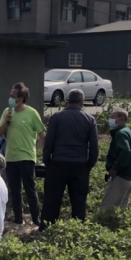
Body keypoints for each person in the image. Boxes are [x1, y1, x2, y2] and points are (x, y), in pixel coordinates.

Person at [39, 89, 98, 231]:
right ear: (82, 102)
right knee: (78, 201)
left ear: (67, 100)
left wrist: (48, 161)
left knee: (52, 200)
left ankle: (47, 230)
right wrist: (88, 165)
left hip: (57, 163)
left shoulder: (57, 117)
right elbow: (94, 147)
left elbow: (49, 142)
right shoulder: (89, 119)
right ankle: (77, 231)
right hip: (80, 165)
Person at [0, 82, 45, 225]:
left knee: (30, 188)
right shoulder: (7, 112)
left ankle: (36, 218)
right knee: (14, 190)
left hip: (27, 156)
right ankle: (18, 218)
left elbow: (41, 133)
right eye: (10, 96)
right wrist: (6, 122)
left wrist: (45, 153)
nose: (10, 98)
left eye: (13, 96)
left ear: (21, 98)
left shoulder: (32, 113)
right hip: (10, 157)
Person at [100, 108, 131, 212]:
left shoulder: (121, 133)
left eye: (112, 117)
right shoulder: (130, 133)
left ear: (121, 119)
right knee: (120, 210)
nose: (110, 120)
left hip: (120, 176)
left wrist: (114, 168)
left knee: (106, 209)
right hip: (129, 177)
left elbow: (125, 151)